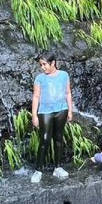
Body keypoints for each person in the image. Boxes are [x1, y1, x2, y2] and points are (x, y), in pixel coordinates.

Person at [31, 53, 74, 183]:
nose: (42, 67)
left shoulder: (64, 75)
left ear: (53, 63)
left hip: (61, 109)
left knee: (59, 138)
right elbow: (36, 97)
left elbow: (68, 93)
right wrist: (34, 115)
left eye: (44, 64)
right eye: (41, 65)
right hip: (45, 111)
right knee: (45, 139)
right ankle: (38, 170)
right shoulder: (40, 78)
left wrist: (70, 110)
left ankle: (58, 167)